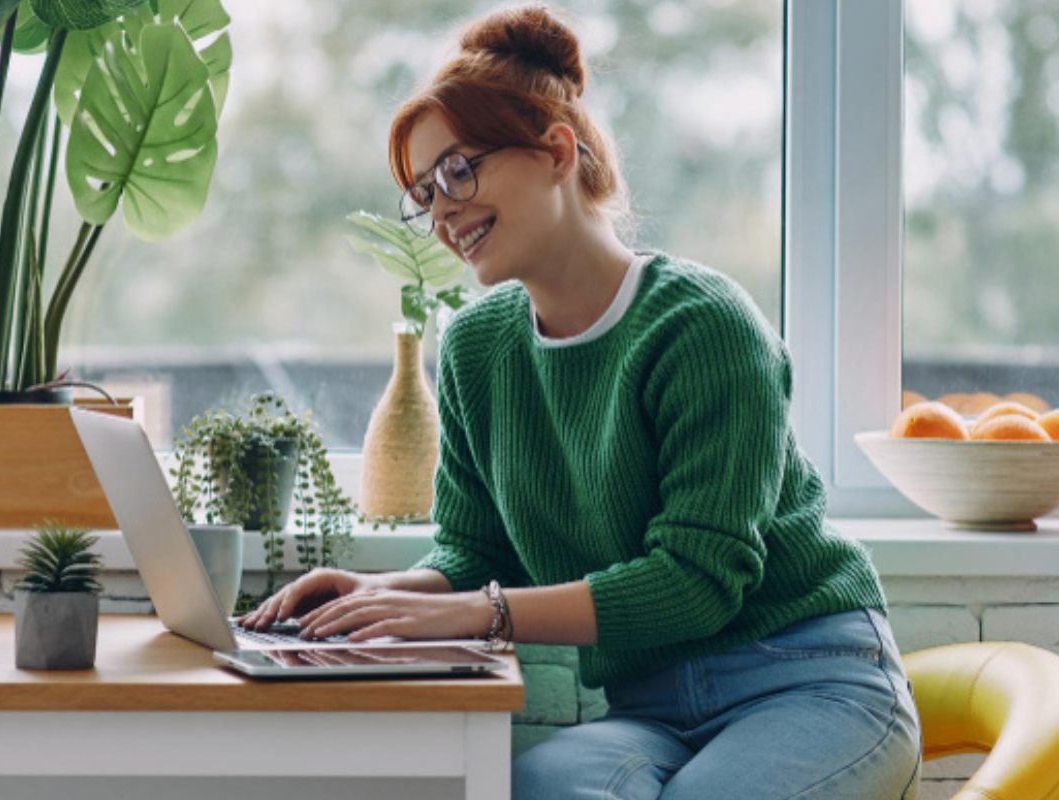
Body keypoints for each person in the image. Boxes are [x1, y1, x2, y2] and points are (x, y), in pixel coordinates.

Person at [240, 5, 922, 798]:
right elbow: (475, 553)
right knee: (541, 786)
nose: (442, 212)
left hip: (808, 676)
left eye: (457, 171)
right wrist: (380, 592)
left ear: (558, 152)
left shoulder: (704, 327)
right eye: (424, 194)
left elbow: (699, 581)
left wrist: (483, 614)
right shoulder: (476, 349)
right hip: (650, 708)